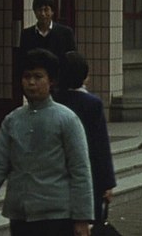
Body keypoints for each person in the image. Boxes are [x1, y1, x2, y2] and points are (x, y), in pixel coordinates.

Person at [0, 48, 93, 236]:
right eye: (27, 77)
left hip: (56, 216)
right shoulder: (13, 120)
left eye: (38, 77)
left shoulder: (67, 119)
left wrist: (82, 217)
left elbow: (80, 169)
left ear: (51, 81)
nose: (31, 82)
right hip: (20, 215)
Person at [55, 51, 117, 223]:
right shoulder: (92, 104)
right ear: (84, 76)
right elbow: (100, 145)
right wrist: (107, 182)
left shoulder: (54, 100)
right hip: (89, 173)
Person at [18, 0, 77, 76]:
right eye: (39, 10)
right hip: (36, 78)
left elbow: (72, 59)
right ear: (34, 12)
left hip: (59, 78)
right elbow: (22, 60)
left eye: (46, 10)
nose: (43, 14)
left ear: (52, 12)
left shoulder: (66, 33)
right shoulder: (27, 34)